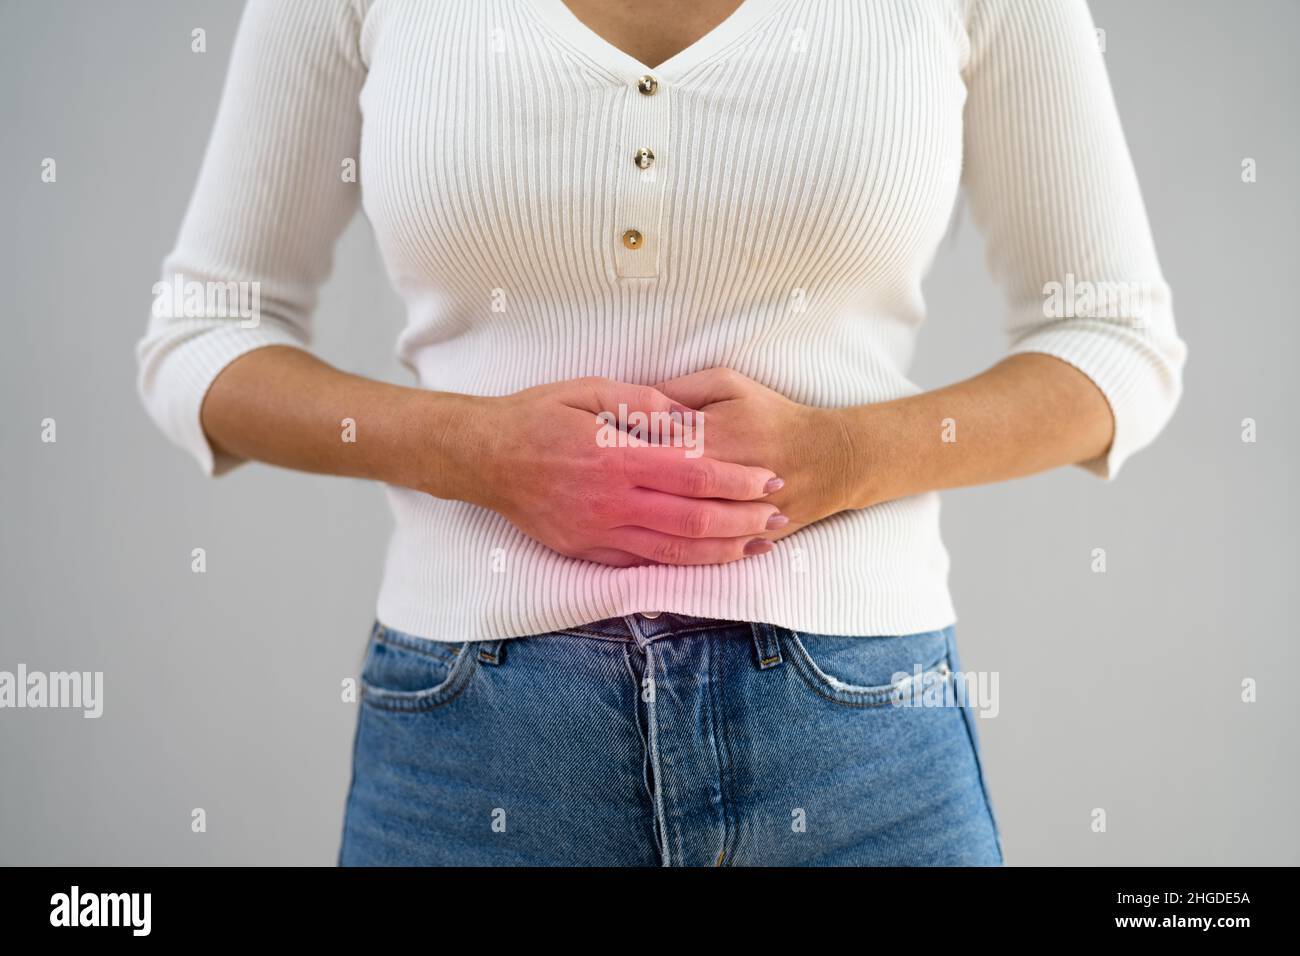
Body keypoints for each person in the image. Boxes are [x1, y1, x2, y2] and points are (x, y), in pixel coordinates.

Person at [137, 0, 1186, 866]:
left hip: (861, 743)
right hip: (474, 749)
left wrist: (847, 456)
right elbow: (205, 333)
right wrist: (470, 448)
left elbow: (1112, 337)